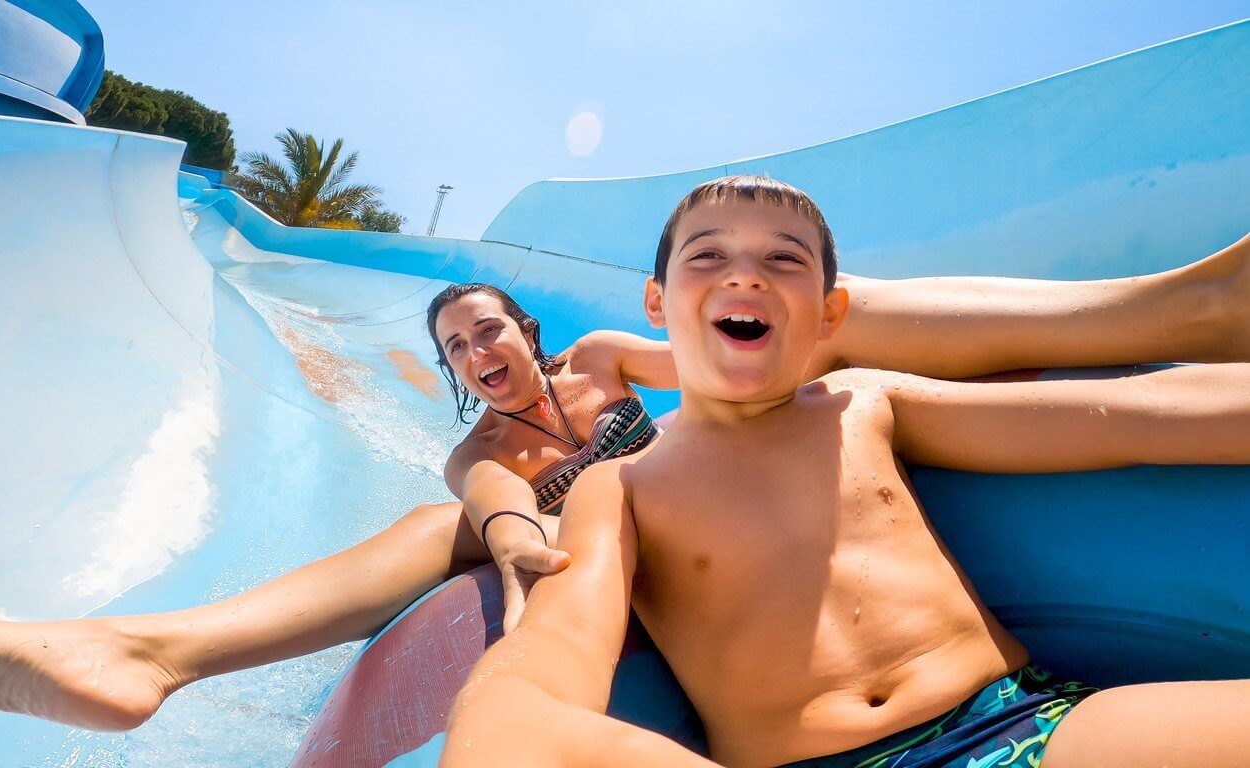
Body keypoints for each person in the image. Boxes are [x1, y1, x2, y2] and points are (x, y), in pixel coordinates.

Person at [0, 191, 1247, 734]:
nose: (478, 355)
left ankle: (1164, 312)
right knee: (452, 535)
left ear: (525, 331)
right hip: (604, 544)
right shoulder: (496, 450)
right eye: (457, 349)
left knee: (808, 334)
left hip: (757, 503)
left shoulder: (617, 359)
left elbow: (767, 347)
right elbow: (495, 509)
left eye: (486, 331)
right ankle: (141, 654)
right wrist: (527, 554)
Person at [442, 175, 1250, 768]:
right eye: (708, 254)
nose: (744, 274)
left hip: (1021, 720)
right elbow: (558, 645)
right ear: (656, 301)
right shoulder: (617, 486)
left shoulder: (864, 403)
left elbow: (1136, 418)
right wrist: (511, 712)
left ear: (830, 313)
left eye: (783, 260)